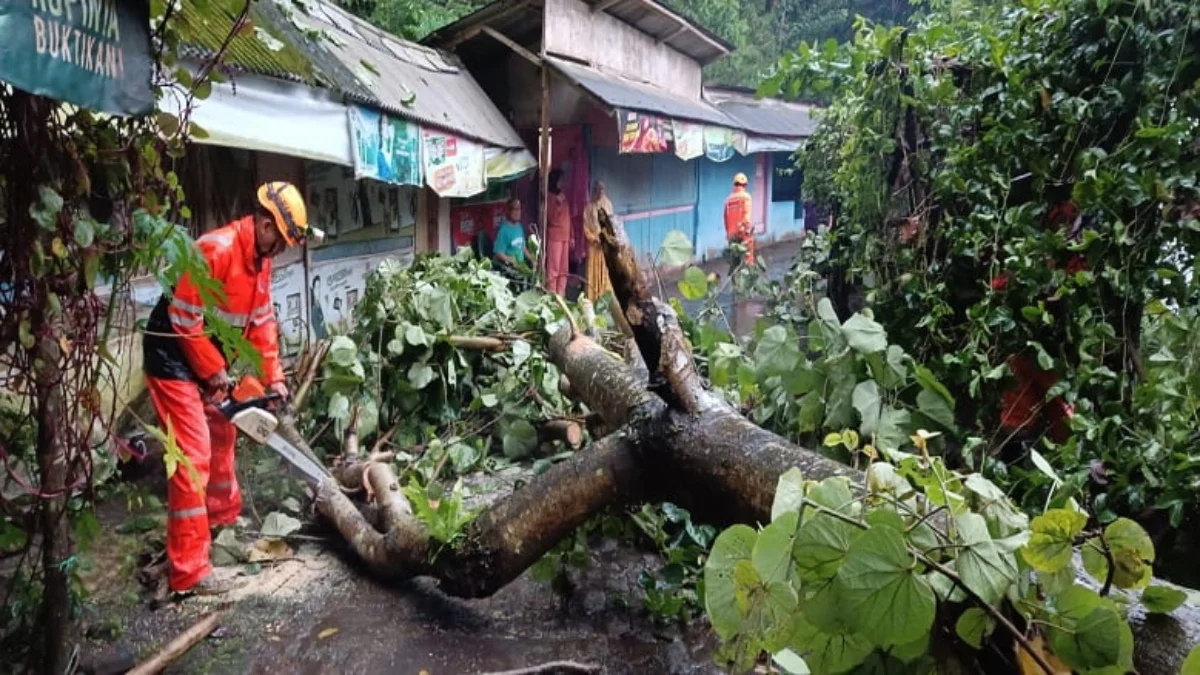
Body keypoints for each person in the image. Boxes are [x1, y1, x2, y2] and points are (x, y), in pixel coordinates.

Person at [141, 182, 320, 596]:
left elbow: (261, 324)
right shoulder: (216, 249)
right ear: (264, 224)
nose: (282, 250)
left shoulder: (260, 261)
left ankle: (221, 521)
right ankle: (188, 572)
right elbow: (185, 320)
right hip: (172, 354)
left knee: (224, 433)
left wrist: (273, 377)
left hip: (206, 356)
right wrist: (214, 371)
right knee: (193, 454)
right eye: (282, 240)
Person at [582, 181, 614, 301]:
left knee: (605, 271)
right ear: (594, 191)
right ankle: (593, 298)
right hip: (594, 244)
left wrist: (606, 237)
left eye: (602, 190)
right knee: (593, 272)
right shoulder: (589, 207)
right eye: (597, 190)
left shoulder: (608, 205)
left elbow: (612, 223)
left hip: (605, 244)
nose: (600, 193)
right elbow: (585, 227)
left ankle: (606, 298)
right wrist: (594, 238)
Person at [545, 168, 572, 295]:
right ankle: (552, 295)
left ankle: (561, 294)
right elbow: (550, 218)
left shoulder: (563, 195)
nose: (562, 182)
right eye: (560, 180)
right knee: (553, 267)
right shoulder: (550, 197)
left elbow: (568, 217)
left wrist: (572, 236)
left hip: (565, 236)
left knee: (563, 269)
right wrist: (558, 202)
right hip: (555, 236)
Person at [724, 172, 756, 270]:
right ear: (745, 185)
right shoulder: (746, 197)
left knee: (734, 263)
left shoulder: (728, 200)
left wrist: (729, 234)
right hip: (743, 234)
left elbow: (725, 219)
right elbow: (746, 216)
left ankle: (735, 284)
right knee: (747, 262)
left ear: (734, 184)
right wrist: (746, 232)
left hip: (731, 236)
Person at [493, 198, 532, 273]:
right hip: (511, 269)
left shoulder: (519, 226)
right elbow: (498, 253)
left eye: (519, 209)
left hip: (522, 266)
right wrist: (510, 260)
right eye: (515, 209)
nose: (518, 212)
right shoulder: (504, 230)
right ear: (508, 211)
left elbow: (523, 247)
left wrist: (532, 259)